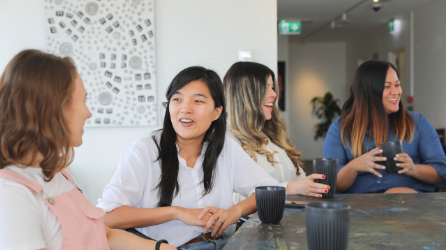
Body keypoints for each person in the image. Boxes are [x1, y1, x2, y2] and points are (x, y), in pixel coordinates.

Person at [0, 49, 175, 250]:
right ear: (54, 108)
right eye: (83, 100)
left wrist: (161, 248)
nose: (88, 113)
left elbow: (103, 234)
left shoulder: (60, 173)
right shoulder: (11, 194)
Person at [97, 66, 279, 249]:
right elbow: (108, 216)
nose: (185, 109)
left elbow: (269, 190)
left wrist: (234, 212)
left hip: (225, 244)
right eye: (177, 99)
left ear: (217, 112)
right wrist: (177, 213)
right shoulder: (142, 151)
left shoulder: (225, 147)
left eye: (198, 101)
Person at [324, 60, 446, 193]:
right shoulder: (340, 129)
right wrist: (353, 167)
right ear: (368, 91)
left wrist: (414, 169)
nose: (396, 92)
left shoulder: (417, 122)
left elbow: (441, 172)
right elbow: (332, 184)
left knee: (397, 195)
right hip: (361, 206)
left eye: (397, 85)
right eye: (387, 86)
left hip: (408, 205)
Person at [223, 61, 330, 199]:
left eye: (273, 87)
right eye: (266, 87)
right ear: (246, 95)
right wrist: (290, 188)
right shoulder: (226, 140)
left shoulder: (272, 135)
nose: (274, 94)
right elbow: (231, 199)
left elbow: (299, 178)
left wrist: (310, 186)